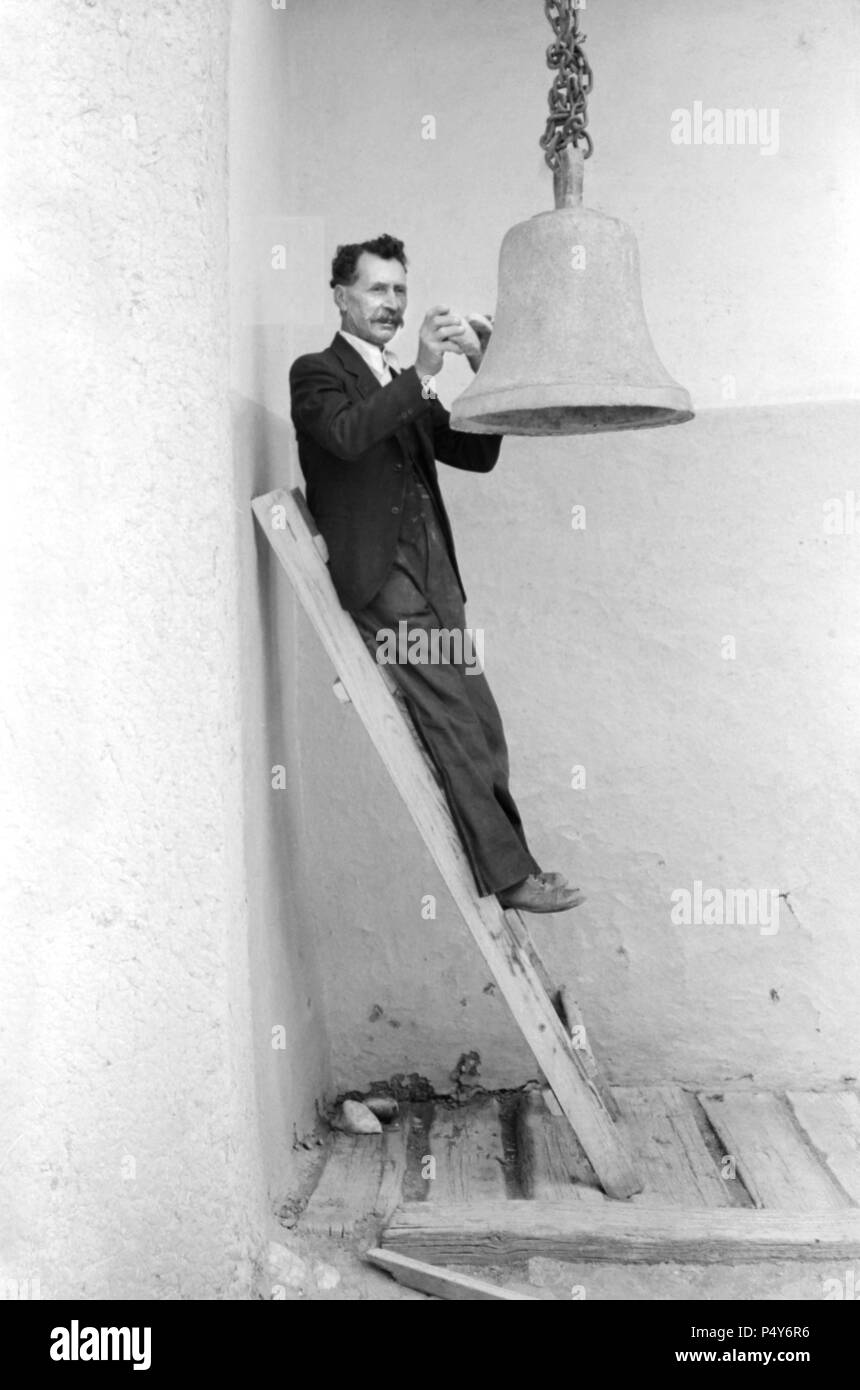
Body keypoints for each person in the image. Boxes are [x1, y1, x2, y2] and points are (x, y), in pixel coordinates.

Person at [289, 233, 583, 915]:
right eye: (376, 289)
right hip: (381, 580)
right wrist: (422, 372)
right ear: (341, 296)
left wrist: (487, 368)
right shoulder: (316, 372)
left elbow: (471, 455)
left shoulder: (401, 377)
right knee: (451, 713)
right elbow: (345, 435)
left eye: (400, 290)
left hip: (436, 576)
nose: (391, 303)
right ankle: (512, 879)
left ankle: (516, 867)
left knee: (480, 718)